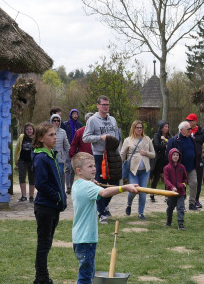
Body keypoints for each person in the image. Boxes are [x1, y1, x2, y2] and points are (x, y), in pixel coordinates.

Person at [71, 153, 138, 284]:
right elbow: (104, 193)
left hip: (80, 238)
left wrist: (94, 185)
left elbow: (97, 194)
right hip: (86, 239)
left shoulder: (77, 184)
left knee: (88, 274)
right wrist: (124, 187)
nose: (94, 169)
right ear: (79, 171)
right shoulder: (87, 186)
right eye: (90, 166)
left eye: (94, 165)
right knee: (85, 278)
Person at [31, 122, 67, 284]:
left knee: (48, 242)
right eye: (50, 135)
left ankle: (41, 277)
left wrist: (61, 200)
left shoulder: (50, 155)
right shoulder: (41, 157)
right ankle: (41, 278)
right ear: (41, 138)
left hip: (53, 207)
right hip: (45, 207)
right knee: (44, 244)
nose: (55, 137)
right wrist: (58, 197)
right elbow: (41, 184)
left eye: (55, 134)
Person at [83, 96, 121, 223]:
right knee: (100, 182)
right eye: (104, 104)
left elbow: (116, 136)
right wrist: (100, 137)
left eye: (108, 105)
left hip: (112, 154)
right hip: (99, 155)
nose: (106, 107)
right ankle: (101, 213)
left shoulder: (112, 120)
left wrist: (118, 151)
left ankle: (104, 205)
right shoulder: (92, 120)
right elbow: (86, 138)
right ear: (98, 105)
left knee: (115, 183)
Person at [120, 120, 155, 220]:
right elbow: (122, 155)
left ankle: (141, 213)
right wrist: (117, 165)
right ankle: (129, 204)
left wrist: (146, 153)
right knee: (133, 191)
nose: (139, 129)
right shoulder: (128, 140)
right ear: (133, 128)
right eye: (137, 127)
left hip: (145, 171)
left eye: (141, 127)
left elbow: (153, 154)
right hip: (133, 170)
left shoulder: (147, 139)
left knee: (143, 192)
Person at [167, 121, 202, 210]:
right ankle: (180, 204)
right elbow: (168, 153)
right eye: (188, 129)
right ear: (182, 130)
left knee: (194, 183)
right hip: (180, 168)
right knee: (180, 186)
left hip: (191, 167)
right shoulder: (174, 140)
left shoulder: (192, 139)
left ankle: (192, 204)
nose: (190, 130)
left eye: (190, 129)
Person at [186, 113, 204, 209]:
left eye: (190, 120)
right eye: (187, 120)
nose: (188, 122)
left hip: (198, 160)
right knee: (183, 179)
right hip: (187, 159)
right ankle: (182, 197)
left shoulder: (202, 132)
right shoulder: (185, 130)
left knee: (198, 180)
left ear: (195, 121)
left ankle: (196, 200)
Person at [163, 148, 188, 230]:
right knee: (170, 207)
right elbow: (166, 180)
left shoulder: (182, 167)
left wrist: (183, 184)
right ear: (170, 156)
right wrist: (172, 187)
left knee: (180, 207)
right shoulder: (167, 168)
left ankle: (180, 224)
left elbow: (185, 178)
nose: (175, 156)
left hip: (181, 192)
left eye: (177, 155)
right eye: (174, 155)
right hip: (171, 192)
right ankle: (168, 221)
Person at [149, 120, 170, 203]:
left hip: (166, 159)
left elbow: (171, 143)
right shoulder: (156, 135)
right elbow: (157, 145)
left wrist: (165, 140)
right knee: (156, 177)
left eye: (168, 126)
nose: (167, 128)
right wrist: (166, 146)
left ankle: (166, 195)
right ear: (161, 127)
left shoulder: (168, 136)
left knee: (167, 178)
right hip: (158, 160)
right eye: (165, 126)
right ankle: (152, 194)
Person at [50, 114, 71, 193]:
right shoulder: (48, 131)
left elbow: (66, 145)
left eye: (58, 120)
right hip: (50, 156)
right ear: (51, 121)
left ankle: (60, 192)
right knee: (52, 175)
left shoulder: (63, 132)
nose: (56, 122)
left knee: (59, 175)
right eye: (54, 120)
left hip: (60, 158)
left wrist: (69, 154)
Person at [64, 108, 83, 192]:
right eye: (73, 114)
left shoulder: (79, 124)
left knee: (73, 168)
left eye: (76, 114)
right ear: (71, 115)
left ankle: (70, 185)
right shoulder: (66, 124)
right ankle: (68, 185)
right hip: (67, 148)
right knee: (68, 168)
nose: (75, 115)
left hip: (77, 149)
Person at [17, 122, 36, 202]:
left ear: (33, 130)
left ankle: (31, 196)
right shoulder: (22, 137)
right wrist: (16, 160)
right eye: (27, 129)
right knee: (22, 177)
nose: (29, 131)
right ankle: (23, 196)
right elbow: (17, 149)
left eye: (30, 129)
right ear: (25, 130)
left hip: (32, 161)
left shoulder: (36, 138)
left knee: (32, 178)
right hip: (22, 160)